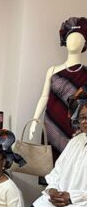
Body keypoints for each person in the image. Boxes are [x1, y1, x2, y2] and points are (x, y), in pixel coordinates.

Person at [29, 17, 87, 160]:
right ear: (65, 40)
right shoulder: (53, 70)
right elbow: (44, 97)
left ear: (85, 43)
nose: (74, 41)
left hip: (77, 127)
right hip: (52, 123)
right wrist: (35, 120)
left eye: (78, 38)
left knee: (73, 162)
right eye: (71, 37)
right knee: (49, 161)